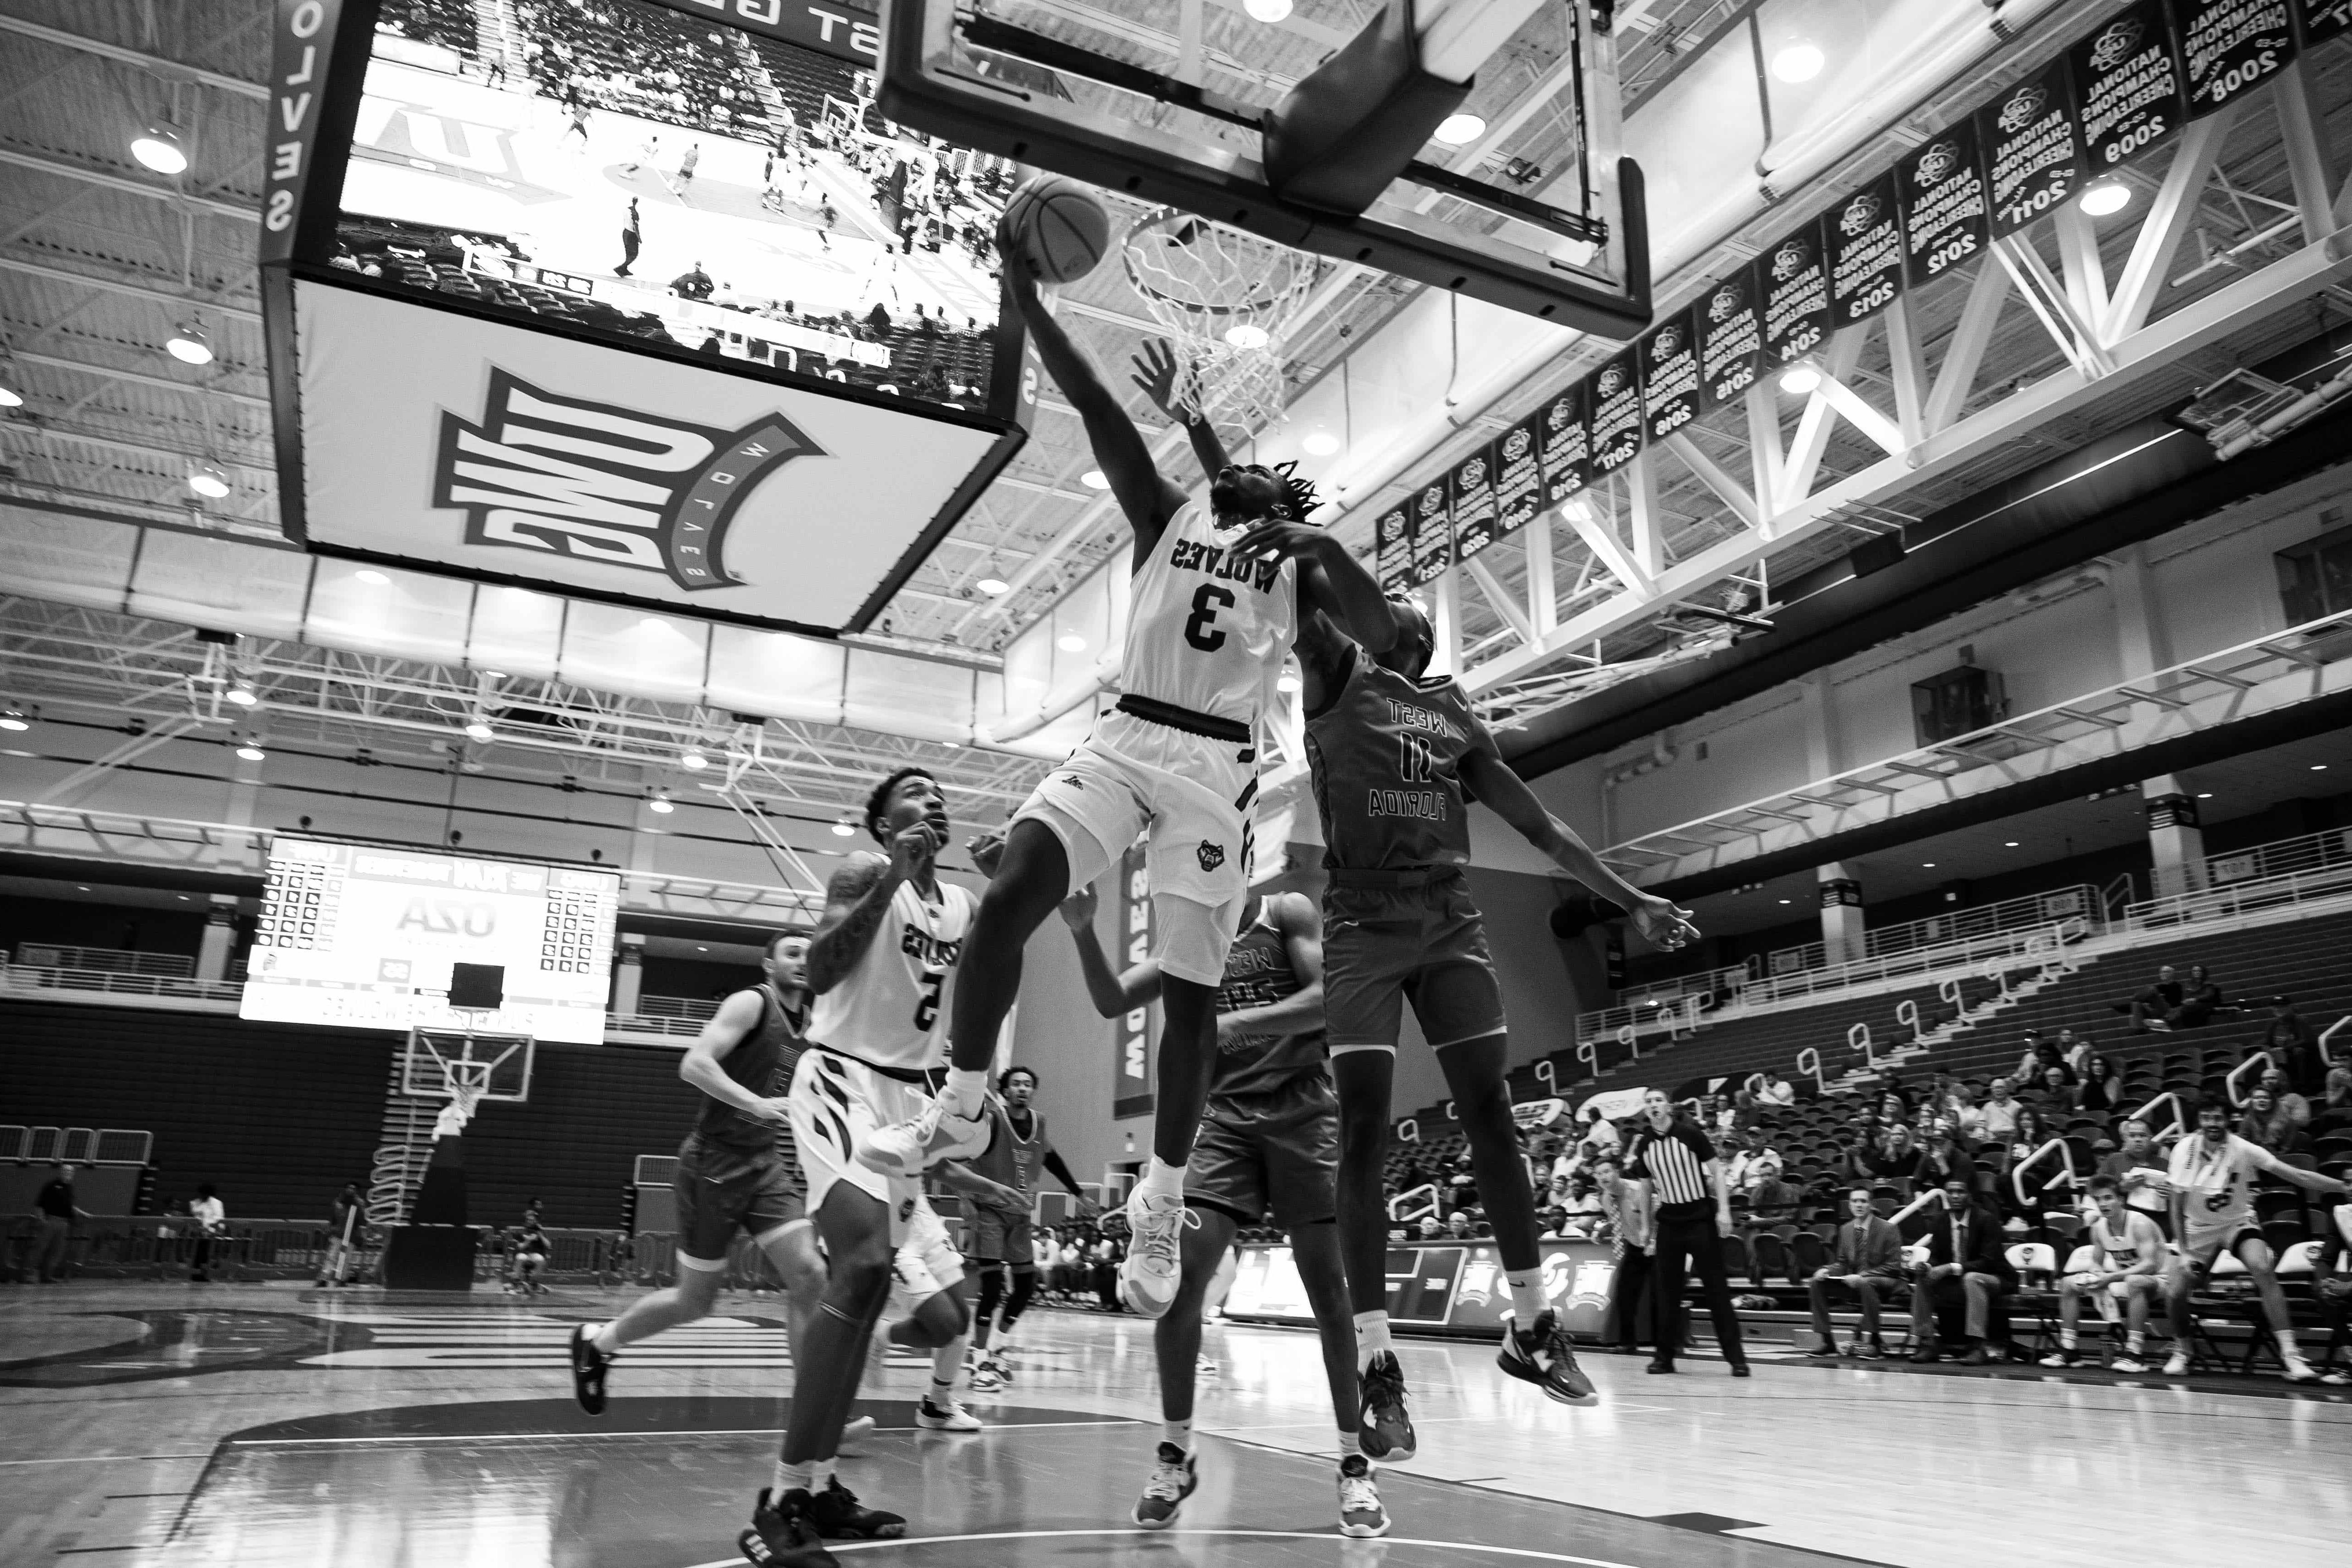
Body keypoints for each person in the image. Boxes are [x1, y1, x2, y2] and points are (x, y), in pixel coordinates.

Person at [852, 232, 1387, 1329]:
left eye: (1251, 470)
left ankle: (1161, 1196)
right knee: (1008, 896)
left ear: (1278, 500)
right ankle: (957, 1105)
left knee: (1191, 1001)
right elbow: (1093, 403)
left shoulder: (1300, 571)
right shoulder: (1168, 517)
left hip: (1215, 772)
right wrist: (1026, 302)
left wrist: (1323, 550)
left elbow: (1387, 636)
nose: (1227, 466)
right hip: (1126, 735)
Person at [1061, 879, 1387, 1537]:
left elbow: (1329, 1001)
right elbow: (1108, 999)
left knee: (1331, 1294)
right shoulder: (1187, 939)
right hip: (1223, 1125)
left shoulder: (1284, 911)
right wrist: (1081, 927)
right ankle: (1175, 1452)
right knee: (1178, 1286)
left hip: (1303, 1113)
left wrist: (1234, 1022)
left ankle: (1354, 1464)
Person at [737, 771, 977, 1559]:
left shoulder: (963, 905)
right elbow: (825, 969)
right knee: (864, 1266)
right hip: (841, 1077)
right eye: (913, 792)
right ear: (880, 823)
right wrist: (892, 883)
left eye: (938, 791)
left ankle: (820, 1482)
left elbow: (967, 1004)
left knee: (871, 1287)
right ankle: (781, 1499)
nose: (933, 798)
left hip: (912, 1102)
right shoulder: (867, 874)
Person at [572, 931, 832, 1417]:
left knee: (811, 1274)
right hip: (713, 1163)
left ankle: (812, 1414)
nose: (803, 960)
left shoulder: (815, 1024)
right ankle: (599, 1342)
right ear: (768, 964)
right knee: (696, 1301)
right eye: (792, 952)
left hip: (766, 1163)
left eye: (810, 953)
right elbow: (694, 1063)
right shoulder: (751, 1003)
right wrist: (755, 1103)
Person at [2160, 1102, 2347, 1380]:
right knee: (2174, 1292)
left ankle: (2291, 1356)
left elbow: (2296, 1175)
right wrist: (2185, 1252)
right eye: (2206, 1117)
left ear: (2229, 1120)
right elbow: (2175, 1207)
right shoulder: (2183, 1150)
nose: (2212, 1123)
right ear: (2199, 1120)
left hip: (2237, 1222)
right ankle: (2184, 1349)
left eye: (2217, 1117)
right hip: (2197, 1228)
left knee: (2262, 1266)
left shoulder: (2243, 1148)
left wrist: (2342, 1186)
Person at [962, 1065, 1098, 1393]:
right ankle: (979, 1358)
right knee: (993, 1290)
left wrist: (1077, 1193)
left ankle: (996, 1347)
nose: (1022, 1088)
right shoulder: (993, 1120)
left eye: (1027, 1084)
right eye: (1015, 1084)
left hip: (1020, 1216)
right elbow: (966, 1157)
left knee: (1025, 1287)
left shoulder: (1039, 1123)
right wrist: (967, 1203)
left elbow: (1052, 1159)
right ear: (1005, 1090)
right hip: (990, 1211)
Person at [1626, 1089, 1747, 1376]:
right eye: (1649, 1103)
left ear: (1668, 1107)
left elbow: (1717, 1172)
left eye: (1658, 1100)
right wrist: (1646, 1226)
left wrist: (1724, 1211)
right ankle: (1664, 1357)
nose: (1653, 1105)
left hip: (1700, 1219)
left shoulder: (1691, 1134)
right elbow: (1645, 1187)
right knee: (1666, 1292)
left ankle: (1737, 1359)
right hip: (1669, 1222)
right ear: (1646, 1111)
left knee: (1716, 1290)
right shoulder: (1644, 1144)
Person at [2041, 1177, 2164, 1371]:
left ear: (2121, 1200)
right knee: (2068, 1283)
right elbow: (2096, 1264)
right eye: (2098, 1200)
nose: (2103, 1204)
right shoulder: (2098, 1228)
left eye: (2108, 1198)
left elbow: (2150, 1265)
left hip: (2161, 1281)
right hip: (2126, 1279)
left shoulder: (2139, 1224)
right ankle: (2069, 1349)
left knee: (2135, 1281)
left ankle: (2135, 1353)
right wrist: (2096, 1277)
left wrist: (2111, 1278)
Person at [1906, 1176, 2014, 1365]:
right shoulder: (1940, 1220)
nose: (1955, 1196)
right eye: (1951, 1192)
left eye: (1960, 1192)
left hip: (1995, 1278)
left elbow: (1989, 1262)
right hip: (1958, 1281)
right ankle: (1928, 1342)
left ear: (1970, 1195)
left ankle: (1978, 1346)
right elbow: (1936, 1255)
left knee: (1972, 1278)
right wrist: (1928, 1266)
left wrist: (1950, 1268)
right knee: (1923, 1277)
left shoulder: (1986, 1220)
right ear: (1946, 1195)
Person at [1806, 1188, 1905, 1360]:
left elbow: (1894, 1266)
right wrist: (1827, 1271)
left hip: (1888, 1282)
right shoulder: (1846, 1229)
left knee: (1866, 1283)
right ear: (1850, 1205)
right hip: (1857, 1283)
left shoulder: (1888, 1229)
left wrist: (1863, 1277)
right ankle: (1827, 1341)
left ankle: (1874, 1343)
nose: (1859, 1205)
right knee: (1816, 1283)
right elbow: (1843, 1263)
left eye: (1863, 1201)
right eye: (1855, 1201)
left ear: (1871, 1204)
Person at [2094, 1119, 2175, 1238]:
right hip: (2125, 1222)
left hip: (2161, 1222)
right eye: (2132, 1136)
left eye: (2143, 1136)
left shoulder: (2164, 1164)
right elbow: (2096, 1188)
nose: (2138, 1140)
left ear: (2150, 1138)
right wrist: (2121, 1187)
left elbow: (2179, 1195)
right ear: (2125, 1139)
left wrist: (2170, 1193)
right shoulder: (2114, 1160)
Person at [2263, 996, 2326, 1096]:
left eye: (2282, 1006)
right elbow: (2267, 1042)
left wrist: (2284, 1049)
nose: (2278, 1009)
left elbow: (2307, 1040)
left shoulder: (2300, 1020)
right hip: (2281, 1056)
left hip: (2302, 1055)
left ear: (2290, 1007)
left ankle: (2303, 1088)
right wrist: (2269, 1050)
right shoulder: (2273, 1024)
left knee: (2299, 1051)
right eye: (2276, 1007)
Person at [31, 1163, 83, 1283]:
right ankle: (29, 1274)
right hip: (51, 1220)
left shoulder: (70, 1188)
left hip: (64, 1223)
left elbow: (70, 1206)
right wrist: (42, 1220)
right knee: (40, 1248)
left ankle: (47, 1276)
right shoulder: (51, 1186)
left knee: (56, 1251)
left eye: (70, 1172)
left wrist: (83, 1213)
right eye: (66, 1171)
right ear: (60, 1172)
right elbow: (40, 1204)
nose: (68, 1173)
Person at [319, 1181, 363, 1287]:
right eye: (349, 1188)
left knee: (346, 1259)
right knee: (331, 1257)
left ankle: (342, 1280)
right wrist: (331, 1231)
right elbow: (333, 1218)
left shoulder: (359, 1204)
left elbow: (360, 1221)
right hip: (338, 1234)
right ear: (346, 1189)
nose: (351, 1190)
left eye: (353, 1189)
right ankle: (324, 1279)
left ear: (356, 1191)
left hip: (351, 1236)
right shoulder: (338, 1202)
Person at [2124, 964, 2184, 1031]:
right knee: (2136, 1005)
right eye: (2161, 972)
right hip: (2156, 1012)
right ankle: (2140, 1030)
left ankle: (2131, 1002)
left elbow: (2175, 1003)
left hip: (2169, 1011)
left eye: (2166, 972)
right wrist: (2147, 1005)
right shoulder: (2158, 987)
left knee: (2152, 989)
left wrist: (2160, 1000)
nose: (2163, 974)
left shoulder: (2177, 986)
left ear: (2172, 974)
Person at [188, 1183, 226, 1282]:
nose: (202, 1196)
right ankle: (196, 1274)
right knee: (197, 1254)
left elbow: (219, 1218)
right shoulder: (195, 1203)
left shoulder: (216, 1203)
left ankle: (205, 1274)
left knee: (207, 1254)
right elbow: (194, 1215)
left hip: (211, 1233)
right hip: (198, 1233)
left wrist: (208, 1229)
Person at [511, 1214, 552, 1294]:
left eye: (532, 1220)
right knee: (520, 1258)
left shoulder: (541, 1232)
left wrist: (540, 1235)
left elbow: (548, 1245)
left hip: (535, 1255)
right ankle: (516, 1282)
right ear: (526, 1221)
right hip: (524, 1254)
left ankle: (534, 1283)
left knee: (540, 1260)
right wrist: (529, 1240)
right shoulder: (522, 1232)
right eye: (528, 1220)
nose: (530, 1222)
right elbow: (521, 1247)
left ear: (535, 1221)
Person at [617, 198, 641, 278]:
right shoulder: (634, 214)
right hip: (631, 234)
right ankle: (621, 268)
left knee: (630, 253)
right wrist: (639, 238)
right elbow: (635, 226)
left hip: (626, 232)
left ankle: (624, 268)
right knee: (634, 254)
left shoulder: (627, 210)